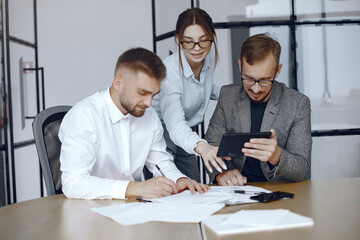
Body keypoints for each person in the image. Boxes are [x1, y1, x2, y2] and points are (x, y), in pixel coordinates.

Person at [59, 47, 209, 200]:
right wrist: (136, 188)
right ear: (118, 82)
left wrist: (179, 180)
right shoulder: (84, 115)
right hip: (88, 211)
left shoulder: (149, 116)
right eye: (142, 93)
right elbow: (73, 184)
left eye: (154, 95)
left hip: (132, 209)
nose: (149, 103)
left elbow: (160, 162)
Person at [205, 33, 312, 186]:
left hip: (282, 192)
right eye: (248, 78)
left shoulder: (297, 104)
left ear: (278, 71)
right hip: (237, 191)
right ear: (240, 66)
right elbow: (211, 146)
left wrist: (276, 156)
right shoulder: (227, 96)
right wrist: (220, 174)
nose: (256, 88)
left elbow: (302, 168)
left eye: (264, 80)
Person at [150, 8, 227, 182]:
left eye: (203, 41)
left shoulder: (208, 58)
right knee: (166, 192)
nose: (197, 48)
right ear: (178, 40)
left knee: (194, 186)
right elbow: (174, 123)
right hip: (160, 133)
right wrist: (203, 146)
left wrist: (231, 94)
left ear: (212, 37)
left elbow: (200, 88)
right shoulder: (169, 72)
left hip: (185, 131)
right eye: (188, 42)